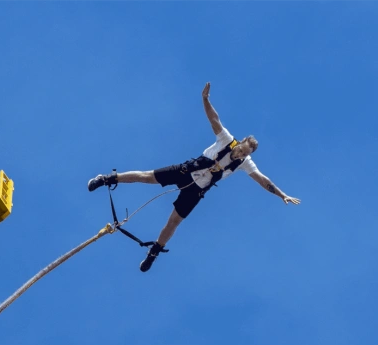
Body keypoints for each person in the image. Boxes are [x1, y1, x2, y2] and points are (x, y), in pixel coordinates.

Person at [87, 82, 301, 272]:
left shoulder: (245, 163)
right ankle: (106, 179)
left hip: (196, 190)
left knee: (173, 222)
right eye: (243, 150)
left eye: (245, 154)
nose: (242, 154)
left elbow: (263, 180)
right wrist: (205, 99)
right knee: (146, 176)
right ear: (241, 142)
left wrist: (282, 195)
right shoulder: (227, 139)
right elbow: (214, 120)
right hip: (186, 171)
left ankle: (154, 252)